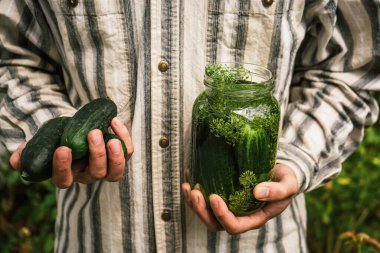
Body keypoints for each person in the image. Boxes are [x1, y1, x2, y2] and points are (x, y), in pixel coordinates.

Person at [0, 0, 379, 252]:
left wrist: (298, 156)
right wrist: (54, 138)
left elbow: (355, 64)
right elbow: (9, 57)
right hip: (98, 238)